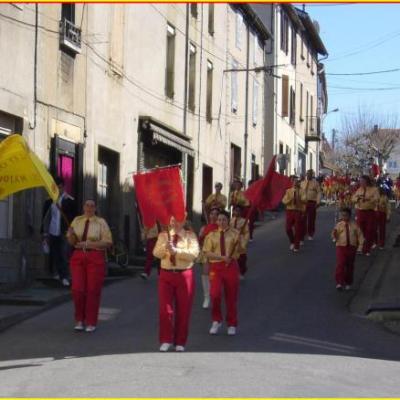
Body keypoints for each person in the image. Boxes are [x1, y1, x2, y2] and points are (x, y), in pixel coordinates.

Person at [153, 216, 200, 352]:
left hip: (184, 274)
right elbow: (156, 253)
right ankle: (166, 339)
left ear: (184, 221)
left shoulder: (190, 236)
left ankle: (180, 341)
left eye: (178, 220)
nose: (174, 223)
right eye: (172, 220)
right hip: (166, 274)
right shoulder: (163, 235)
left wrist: (177, 251)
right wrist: (165, 248)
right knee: (165, 310)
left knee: (184, 310)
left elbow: (194, 254)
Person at [66, 199, 113, 332]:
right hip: (78, 256)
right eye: (87, 205)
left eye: (92, 206)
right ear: (83, 207)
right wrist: (70, 235)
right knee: (77, 289)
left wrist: (88, 244)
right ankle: (79, 320)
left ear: (95, 208)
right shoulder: (77, 220)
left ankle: (91, 321)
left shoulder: (101, 222)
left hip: (95, 256)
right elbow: (72, 242)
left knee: (93, 289)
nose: (89, 208)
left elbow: (108, 242)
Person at [203, 210, 243, 336]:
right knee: (214, 294)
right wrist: (221, 257)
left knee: (231, 296)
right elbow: (207, 252)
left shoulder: (235, 234)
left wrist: (240, 241)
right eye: (219, 220)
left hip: (231, 266)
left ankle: (231, 323)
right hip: (216, 266)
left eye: (223, 219)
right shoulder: (211, 235)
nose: (221, 222)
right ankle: (216, 320)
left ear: (228, 220)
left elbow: (242, 250)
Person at [42, 176, 77, 286]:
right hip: (53, 231)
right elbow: (45, 217)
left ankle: (65, 276)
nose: (58, 189)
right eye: (56, 187)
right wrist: (44, 233)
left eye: (60, 187)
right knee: (55, 254)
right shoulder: (49, 201)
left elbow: (74, 218)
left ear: (64, 187)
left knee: (64, 254)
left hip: (64, 232)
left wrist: (72, 231)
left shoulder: (69, 200)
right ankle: (57, 273)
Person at [332, 208, 364, 291]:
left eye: (345, 215)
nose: (344, 217)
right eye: (342, 215)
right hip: (341, 246)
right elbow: (334, 234)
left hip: (351, 247)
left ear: (350, 216)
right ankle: (339, 282)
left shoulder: (354, 225)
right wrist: (334, 235)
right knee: (341, 263)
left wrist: (360, 247)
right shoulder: (339, 225)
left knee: (349, 265)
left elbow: (360, 236)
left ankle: (348, 282)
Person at [352, 175, 379, 256]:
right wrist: (358, 199)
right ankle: (360, 247)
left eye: (362, 181)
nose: (361, 182)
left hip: (370, 212)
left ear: (367, 181)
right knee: (360, 230)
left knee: (369, 230)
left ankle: (367, 249)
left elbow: (377, 198)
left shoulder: (374, 189)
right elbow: (353, 198)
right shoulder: (359, 190)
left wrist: (369, 199)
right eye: (360, 181)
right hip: (361, 212)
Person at [198, 208, 219, 309]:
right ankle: (206, 297)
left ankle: (214, 293)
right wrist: (201, 235)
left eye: (216, 214)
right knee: (205, 273)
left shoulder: (222, 227)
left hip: (218, 255)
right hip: (207, 254)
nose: (213, 216)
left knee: (215, 276)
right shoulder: (204, 228)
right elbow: (199, 241)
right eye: (211, 214)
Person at [282, 176, 307, 252]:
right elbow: (284, 201)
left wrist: (300, 198)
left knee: (297, 228)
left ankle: (296, 246)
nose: (295, 182)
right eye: (294, 181)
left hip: (298, 211)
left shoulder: (302, 191)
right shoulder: (288, 191)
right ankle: (292, 241)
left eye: (297, 181)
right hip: (290, 210)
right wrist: (291, 198)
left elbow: (305, 199)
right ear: (292, 183)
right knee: (288, 228)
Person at [230, 205, 250, 279]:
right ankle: (234, 271)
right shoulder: (231, 220)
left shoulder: (244, 221)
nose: (236, 212)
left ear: (241, 212)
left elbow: (247, 232)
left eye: (238, 211)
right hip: (232, 240)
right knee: (233, 257)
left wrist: (244, 242)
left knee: (242, 258)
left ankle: (242, 271)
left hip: (240, 240)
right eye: (235, 210)